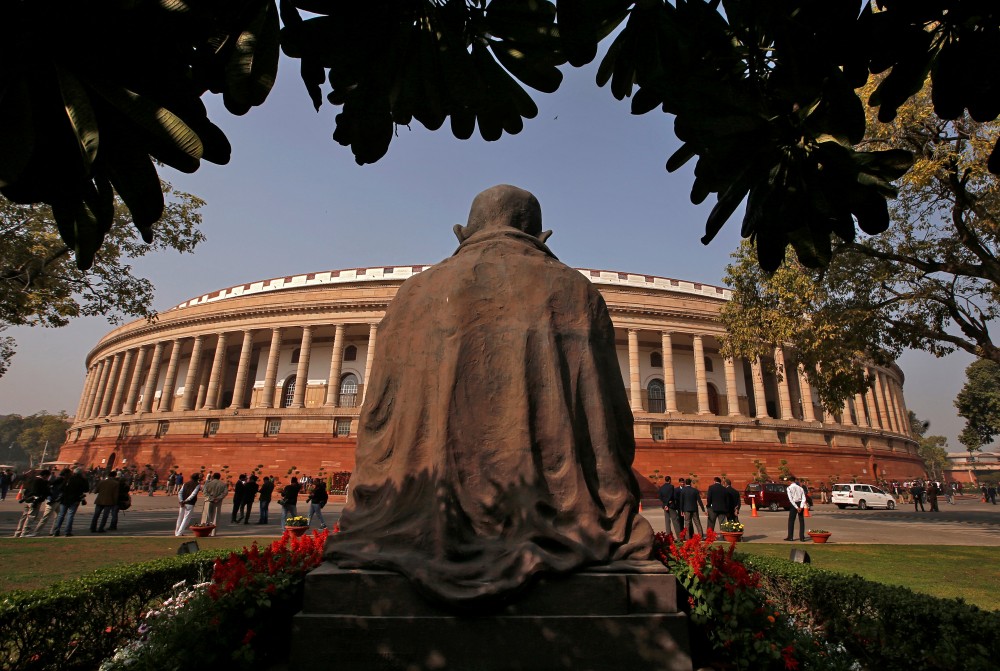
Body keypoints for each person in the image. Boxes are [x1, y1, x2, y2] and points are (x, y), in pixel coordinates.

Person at [326, 186, 653, 607]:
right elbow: (613, 421)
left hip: (415, 519)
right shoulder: (576, 291)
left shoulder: (412, 294)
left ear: (462, 233)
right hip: (566, 521)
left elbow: (376, 418)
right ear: (541, 235)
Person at [52, 467, 89, 536]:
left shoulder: (68, 479)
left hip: (65, 499)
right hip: (75, 499)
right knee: (70, 515)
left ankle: (56, 531)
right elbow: (86, 489)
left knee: (61, 515)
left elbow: (61, 488)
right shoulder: (83, 480)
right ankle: (67, 531)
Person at [13, 469, 51, 538]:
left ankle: (18, 532)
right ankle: (25, 532)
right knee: (31, 517)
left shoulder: (32, 479)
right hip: (35, 501)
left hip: (27, 499)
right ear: (45, 475)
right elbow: (45, 492)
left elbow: (26, 489)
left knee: (24, 517)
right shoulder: (41, 481)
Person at [31, 468, 68, 537]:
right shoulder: (59, 480)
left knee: (57, 516)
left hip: (56, 500)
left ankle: (53, 530)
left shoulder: (57, 479)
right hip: (53, 500)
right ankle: (36, 531)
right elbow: (52, 488)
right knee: (46, 517)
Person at [784, 475, 806, 542]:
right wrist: (801, 507)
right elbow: (804, 498)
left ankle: (790, 537)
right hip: (800, 504)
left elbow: (790, 499)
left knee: (791, 521)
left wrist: (796, 507)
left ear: (790, 481)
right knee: (801, 521)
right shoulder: (800, 488)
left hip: (794, 505)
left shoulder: (789, 488)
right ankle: (802, 537)